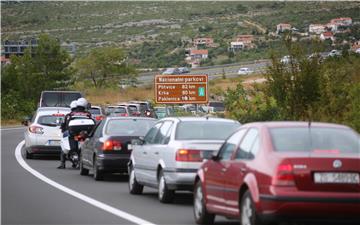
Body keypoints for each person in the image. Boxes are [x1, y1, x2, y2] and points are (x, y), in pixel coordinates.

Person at [58, 100, 78, 169]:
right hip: (82, 135)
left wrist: (63, 129)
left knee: (63, 148)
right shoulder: (87, 114)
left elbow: (63, 125)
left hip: (71, 135)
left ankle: (62, 164)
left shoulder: (68, 115)